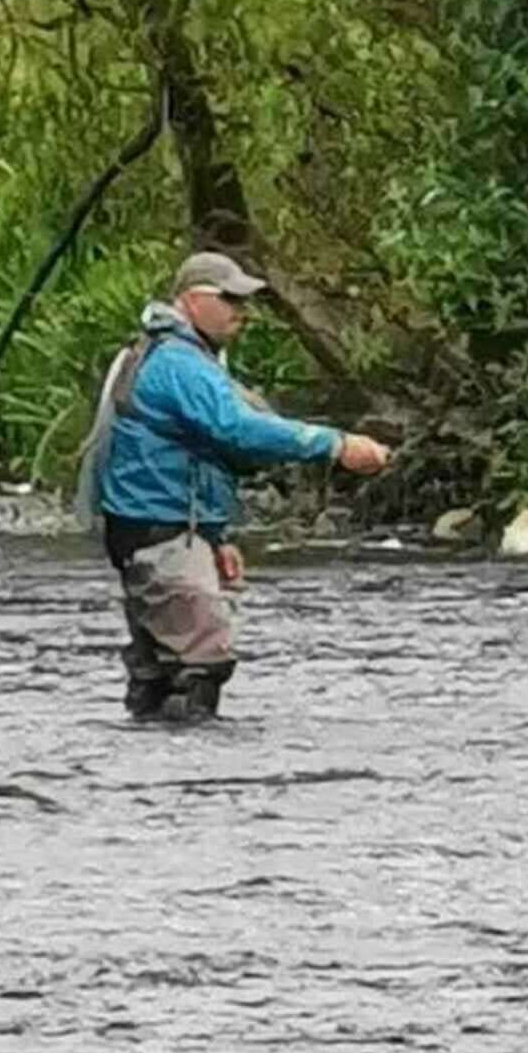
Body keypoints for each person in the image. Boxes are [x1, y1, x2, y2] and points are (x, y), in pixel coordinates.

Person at [81, 249, 389, 722]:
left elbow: (195, 454)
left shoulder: (169, 355)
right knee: (202, 661)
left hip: (155, 535)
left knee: (161, 668)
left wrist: (215, 536)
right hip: (162, 537)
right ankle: (198, 783)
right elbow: (235, 429)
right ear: (189, 300)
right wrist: (335, 445)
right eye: (228, 299)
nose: (240, 312)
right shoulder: (179, 363)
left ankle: (144, 773)